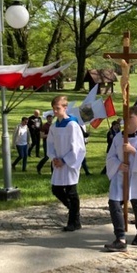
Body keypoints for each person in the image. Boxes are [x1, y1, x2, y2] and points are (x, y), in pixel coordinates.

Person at [104, 106, 137, 252]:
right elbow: (110, 156)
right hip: (120, 175)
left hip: (136, 177)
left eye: (129, 119)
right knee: (114, 203)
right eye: (124, 119)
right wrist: (118, 165)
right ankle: (120, 237)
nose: (126, 122)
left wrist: (133, 152)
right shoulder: (119, 137)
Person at [47, 96, 86, 232]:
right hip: (58, 163)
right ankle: (74, 211)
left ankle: (73, 221)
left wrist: (65, 160)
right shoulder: (54, 126)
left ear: (65, 108)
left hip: (69, 163)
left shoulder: (72, 125)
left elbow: (78, 147)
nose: (55, 111)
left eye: (57, 108)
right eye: (54, 109)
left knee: (71, 191)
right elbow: (50, 144)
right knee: (56, 189)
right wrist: (54, 157)